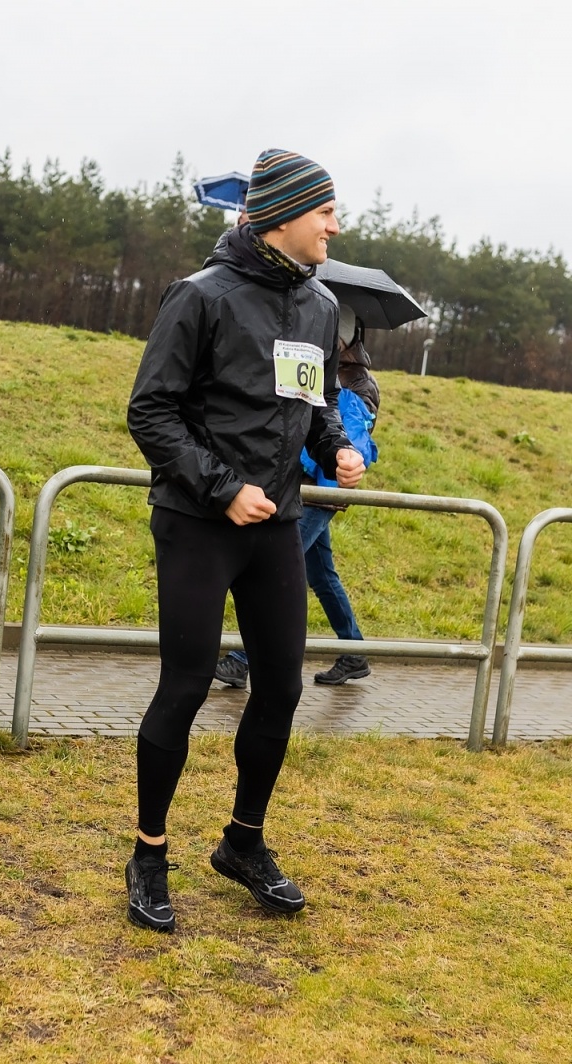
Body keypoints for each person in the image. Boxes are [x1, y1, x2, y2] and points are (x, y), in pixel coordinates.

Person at [124, 149, 365, 934]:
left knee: (284, 689)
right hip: (199, 521)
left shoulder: (321, 306)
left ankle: (243, 842)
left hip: (278, 525)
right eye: (325, 210)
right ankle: (149, 852)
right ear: (284, 215)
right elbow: (150, 412)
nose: (336, 223)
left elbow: (316, 398)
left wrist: (333, 445)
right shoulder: (200, 296)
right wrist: (223, 490)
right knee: (186, 687)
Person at [215, 304, 380, 689]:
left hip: (319, 488)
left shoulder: (357, 382)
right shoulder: (321, 365)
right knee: (323, 578)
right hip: (309, 486)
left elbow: (338, 435)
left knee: (271, 573)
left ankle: (241, 659)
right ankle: (354, 651)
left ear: (343, 337)